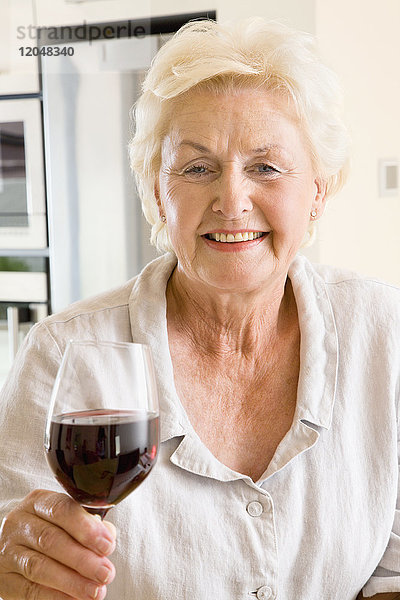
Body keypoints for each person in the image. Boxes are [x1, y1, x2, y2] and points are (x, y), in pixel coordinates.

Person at [0, 16, 399, 600]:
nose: (231, 199)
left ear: (318, 190)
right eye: (196, 168)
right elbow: (23, 561)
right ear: (159, 195)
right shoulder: (62, 353)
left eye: (266, 166)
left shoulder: (385, 331)